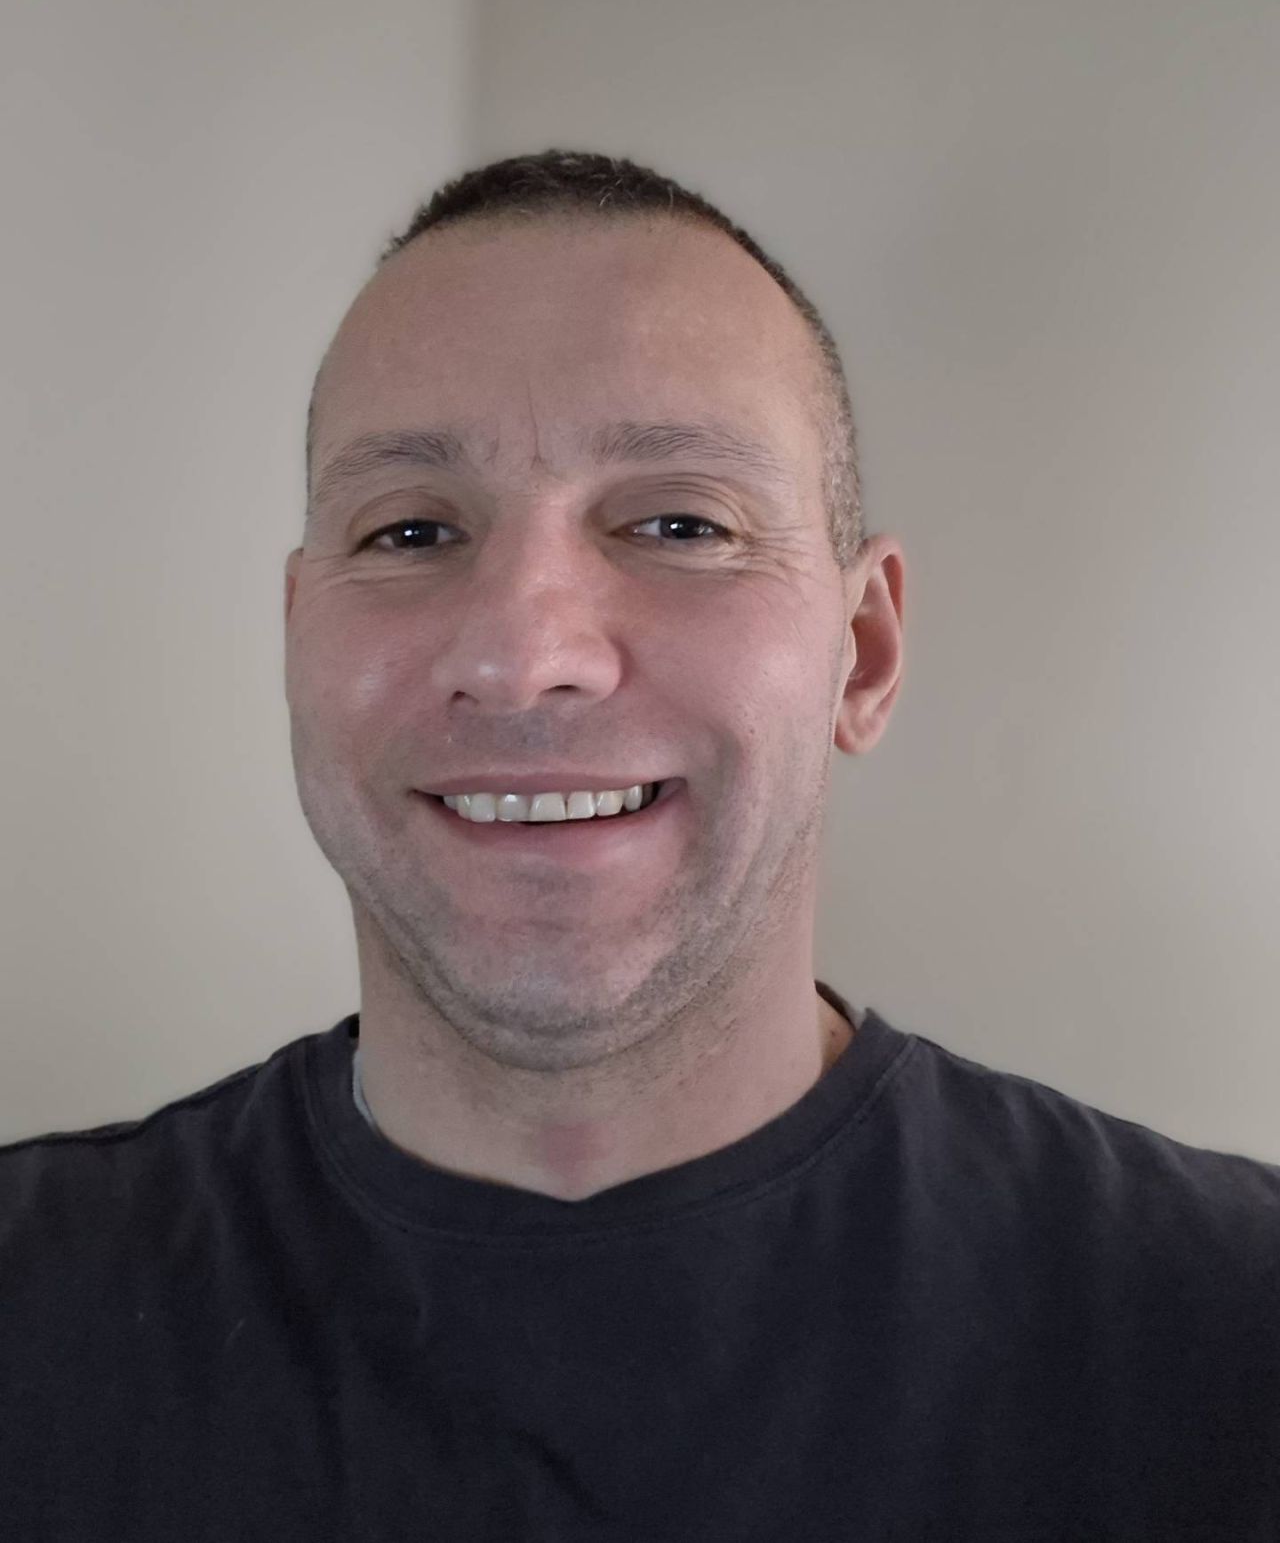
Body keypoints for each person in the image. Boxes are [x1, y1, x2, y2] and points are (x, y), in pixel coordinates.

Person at [1, 151, 1276, 1540]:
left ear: (861, 652)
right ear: (298, 640)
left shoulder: (1232, 1333)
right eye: (411, 530)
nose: (523, 653)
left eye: (680, 523)